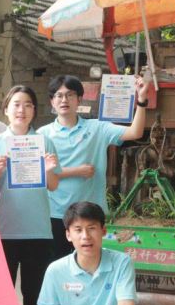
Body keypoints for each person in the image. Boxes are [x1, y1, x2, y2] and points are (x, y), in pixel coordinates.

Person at [0, 85, 60, 305]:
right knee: (3, 296)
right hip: (4, 230)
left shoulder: (44, 142)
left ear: (34, 110)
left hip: (37, 230)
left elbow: (53, 185)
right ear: (6, 109)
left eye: (28, 104)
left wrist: (50, 168)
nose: (21, 110)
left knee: (33, 296)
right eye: (16, 104)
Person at [38, 74, 148, 258]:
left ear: (79, 99)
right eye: (59, 95)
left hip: (91, 213)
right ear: (52, 101)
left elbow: (135, 132)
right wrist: (76, 171)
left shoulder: (98, 127)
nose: (64, 100)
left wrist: (142, 100)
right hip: (56, 214)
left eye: (70, 95)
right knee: (59, 266)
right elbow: (37, 174)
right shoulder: (42, 134)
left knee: (90, 265)